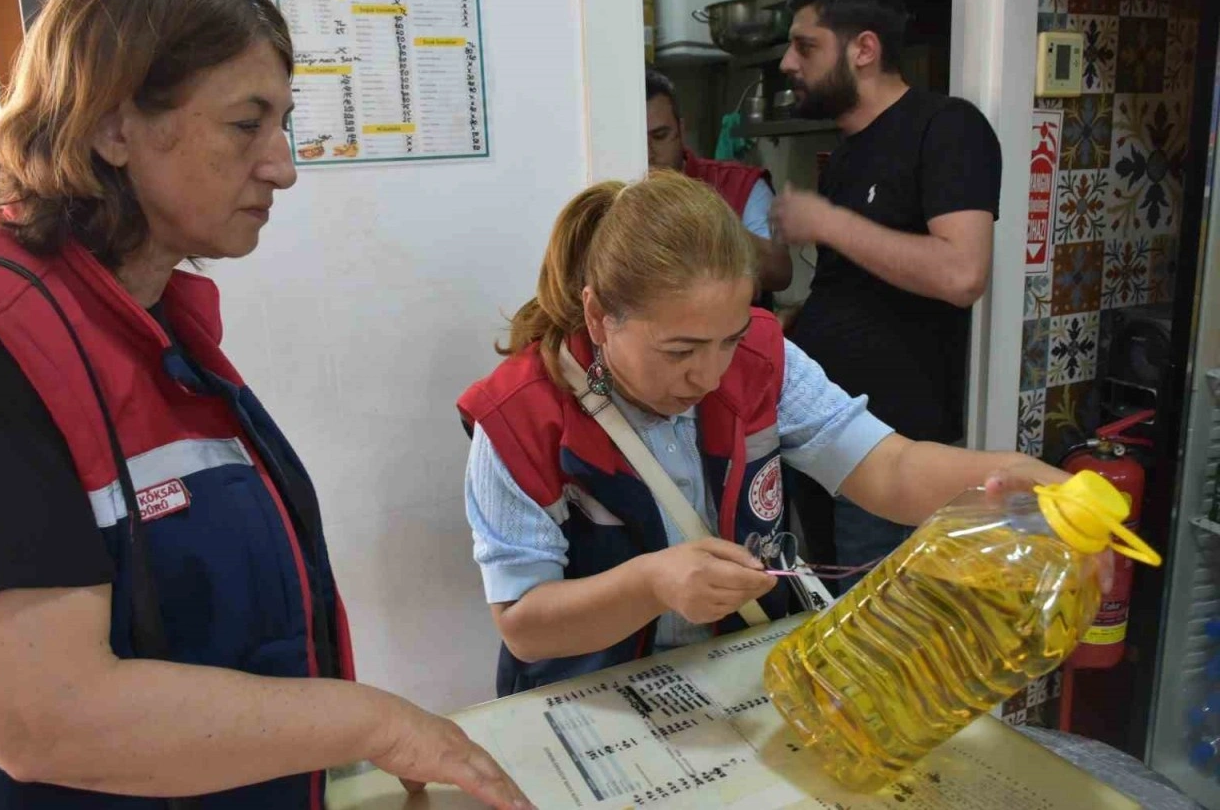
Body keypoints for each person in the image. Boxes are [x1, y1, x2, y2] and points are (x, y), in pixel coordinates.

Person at [0, 0, 530, 808]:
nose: (281, 168)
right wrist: (374, 724)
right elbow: (40, 716)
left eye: (282, 124)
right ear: (112, 125)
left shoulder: (152, 320)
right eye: (245, 125)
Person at [457, 170, 1068, 696]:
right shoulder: (518, 417)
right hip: (593, 696)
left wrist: (1009, 476)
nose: (708, 375)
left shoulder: (761, 359)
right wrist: (653, 584)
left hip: (735, 677)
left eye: (729, 339)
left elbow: (890, 469)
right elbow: (524, 624)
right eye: (679, 350)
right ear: (598, 317)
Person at [768, 0, 1003, 587]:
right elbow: (859, 290)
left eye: (806, 46)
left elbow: (962, 272)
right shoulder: (848, 153)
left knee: (876, 621)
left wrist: (829, 222)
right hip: (821, 437)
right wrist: (794, 328)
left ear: (864, 49)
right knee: (829, 606)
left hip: (891, 451)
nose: (789, 63)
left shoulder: (947, 127)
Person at [645, 67, 791, 305]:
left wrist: (703, 219)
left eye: (660, 136)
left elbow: (779, 273)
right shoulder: (609, 192)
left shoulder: (740, 184)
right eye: (637, 141)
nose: (649, 153)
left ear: (681, 130)